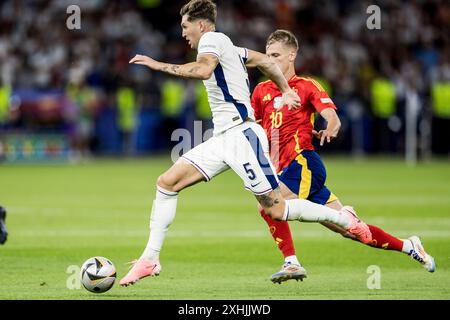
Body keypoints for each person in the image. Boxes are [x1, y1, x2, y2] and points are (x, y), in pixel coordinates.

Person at [120, 0, 371, 286]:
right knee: (167, 182)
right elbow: (264, 61)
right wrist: (287, 90)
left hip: (242, 136)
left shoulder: (211, 40)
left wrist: (157, 65)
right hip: (222, 137)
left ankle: (346, 220)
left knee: (275, 209)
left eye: (185, 26)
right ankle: (150, 259)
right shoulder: (229, 47)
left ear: (201, 25)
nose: (183, 33)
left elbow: (203, 71)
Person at [250, 30, 436, 283]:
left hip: (303, 163)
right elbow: (258, 129)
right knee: (352, 232)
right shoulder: (261, 91)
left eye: (276, 55)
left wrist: (330, 127)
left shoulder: (307, 85)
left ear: (292, 55)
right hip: (285, 170)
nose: (270, 60)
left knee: (269, 204)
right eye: (267, 55)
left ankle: (291, 262)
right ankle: (409, 246)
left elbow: (332, 116)